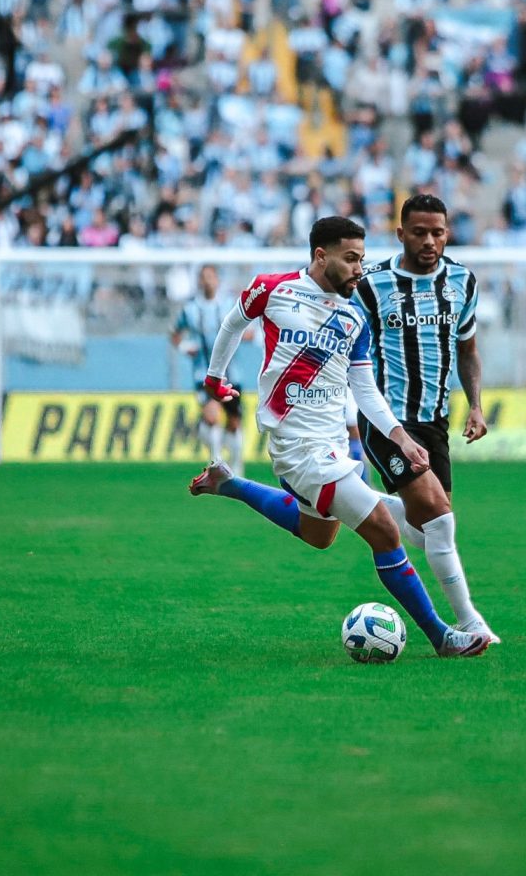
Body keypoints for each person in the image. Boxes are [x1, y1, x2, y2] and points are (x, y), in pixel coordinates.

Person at [188, 216, 491, 658]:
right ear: (320, 256)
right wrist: (214, 379)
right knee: (386, 532)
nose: (358, 270)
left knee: (318, 534)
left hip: (332, 444)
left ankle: (228, 483)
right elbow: (233, 323)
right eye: (350, 259)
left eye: (362, 260)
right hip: (297, 447)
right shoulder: (273, 290)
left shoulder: (354, 319)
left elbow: (365, 390)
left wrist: (401, 438)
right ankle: (443, 635)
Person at [354, 194, 499, 642]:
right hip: (387, 421)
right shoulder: (372, 284)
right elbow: (350, 355)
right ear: (400, 234)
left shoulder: (462, 281)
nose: (430, 241)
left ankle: (364, 505)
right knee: (440, 521)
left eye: (438, 232)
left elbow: (468, 350)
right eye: (419, 232)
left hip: (435, 421)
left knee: (425, 530)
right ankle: (469, 622)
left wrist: (474, 404)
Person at [171, 265, 243, 472]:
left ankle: (237, 468)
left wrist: (249, 336)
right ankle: (216, 465)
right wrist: (185, 347)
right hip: (203, 374)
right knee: (212, 418)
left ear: (218, 280)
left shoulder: (230, 305)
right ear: (199, 282)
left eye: (212, 277)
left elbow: (248, 330)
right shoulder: (190, 309)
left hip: (231, 374)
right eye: (204, 278)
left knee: (234, 423)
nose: (208, 281)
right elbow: (175, 334)